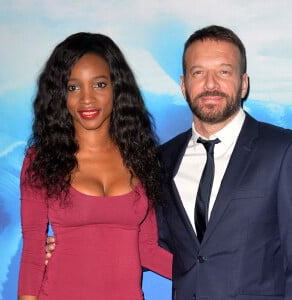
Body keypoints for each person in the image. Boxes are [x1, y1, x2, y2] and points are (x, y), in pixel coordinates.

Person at [18, 32, 172, 300]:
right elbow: (33, 252)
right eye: (73, 87)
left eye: (99, 85)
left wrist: (206, 269)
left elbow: (146, 249)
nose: (87, 99)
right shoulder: (41, 159)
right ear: (60, 95)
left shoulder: (140, 158)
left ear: (117, 88)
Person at [157, 25, 292, 299]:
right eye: (199, 73)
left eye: (223, 71)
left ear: (243, 83)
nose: (210, 84)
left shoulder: (282, 150)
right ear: (184, 85)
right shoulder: (163, 159)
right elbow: (155, 243)